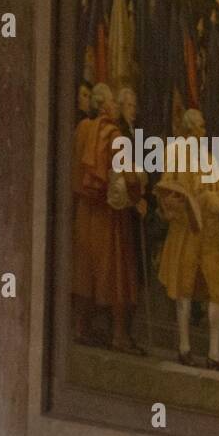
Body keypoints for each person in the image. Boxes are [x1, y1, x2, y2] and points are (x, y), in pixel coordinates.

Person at [71, 82, 146, 353]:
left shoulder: (82, 129)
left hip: (84, 210)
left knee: (85, 269)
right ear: (104, 106)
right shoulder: (113, 134)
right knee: (116, 272)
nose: (116, 106)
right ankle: (119, 336)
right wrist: (138, 192)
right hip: (108, 214)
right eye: (113, 102)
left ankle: (81, 327)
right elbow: (127, 176)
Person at [155, 108, 219, 370]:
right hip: (185, 231)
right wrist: (180, 203)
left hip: (209, 234)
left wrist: (213, 199)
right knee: (183, 288)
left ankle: (214, 354)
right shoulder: (175, 155)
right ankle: (184, 348)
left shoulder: (209, 160)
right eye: (200, 127)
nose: (203, 131)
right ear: (190, 129)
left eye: (203, 128)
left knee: (217, 290)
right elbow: (165, 191)